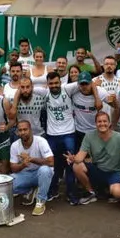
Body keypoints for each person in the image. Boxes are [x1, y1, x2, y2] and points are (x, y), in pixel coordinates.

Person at [68, 112, 120, 205]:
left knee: (118, 192)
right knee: (77, 166)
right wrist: (74, 159)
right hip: (99, 170)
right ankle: (91, 192)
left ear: (109, 123)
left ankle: (112, 190)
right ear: (95, 124)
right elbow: (80, 156)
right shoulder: (89, 136)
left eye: (105, 121)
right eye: (99, 121)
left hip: (116, 172)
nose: (102, 124)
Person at [44, 71, 80, 204]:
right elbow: (25, 88)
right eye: (51, 83)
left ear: (61, 82)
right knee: (52, 164)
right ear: (47, 84)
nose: (54, 85)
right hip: (52, 135)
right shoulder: (44, 92)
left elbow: (88, 81)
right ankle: (52, 190)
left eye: (56, 83)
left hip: (68, 133)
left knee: (70, 163)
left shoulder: (67, 88)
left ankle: (71, 193)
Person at [9, 120, 54, 216]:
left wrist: (31, 159)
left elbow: (51, 162)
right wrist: (22, 165)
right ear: (17, 132)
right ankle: (30, 189)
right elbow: (13, 168)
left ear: (31, 130)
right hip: (26, 174)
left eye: (25, 129)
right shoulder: (15, 145)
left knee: (45, 170)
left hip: (40, 173)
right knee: (8, 185)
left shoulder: (41, 141)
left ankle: (40, 201)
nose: (23, 132)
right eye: (20, 130)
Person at [68, 71, 108, 149]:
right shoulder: (73, 91)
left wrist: (112, 125)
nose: (84, 86)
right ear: (78, 84)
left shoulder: (101, 91)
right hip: (79, 131)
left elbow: (117, 106)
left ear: (91, 83)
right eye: (82, 84)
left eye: (86, 84)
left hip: (96, 131)